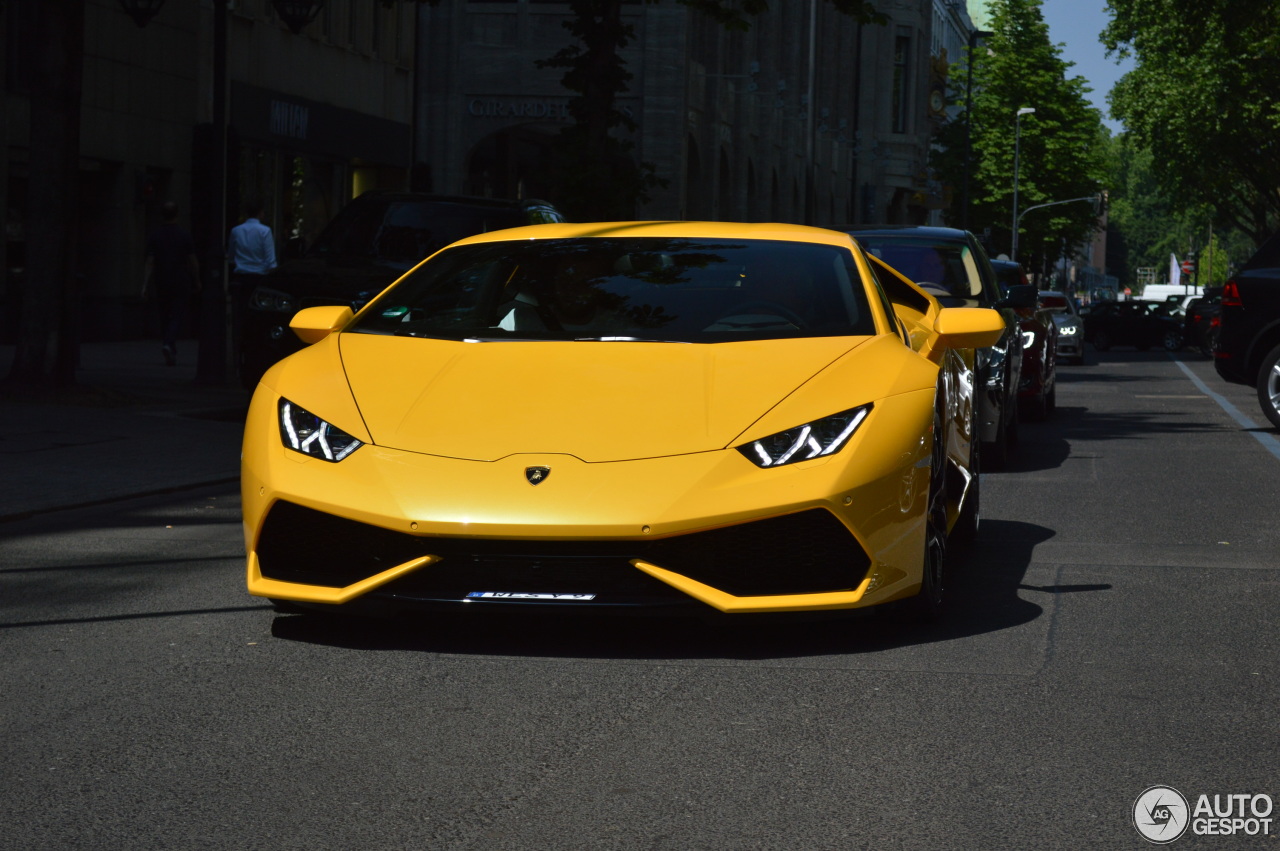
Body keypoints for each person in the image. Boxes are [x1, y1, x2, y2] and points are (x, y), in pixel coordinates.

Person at [142, 201, 201, 366]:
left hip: (162, 280)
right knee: (176, 314)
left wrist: (145, 284)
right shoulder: (184, 235)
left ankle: (169, 345)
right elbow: (192, 261)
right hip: (180, 280)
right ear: (177, 214)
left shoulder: (155, 236)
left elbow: (150, 261)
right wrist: (197, 280)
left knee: (164, 314)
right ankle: (169, 343)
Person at [227, 200, 276, 355]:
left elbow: (231, 256)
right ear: (260, 213)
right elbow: (270, 260)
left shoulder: (236, 231)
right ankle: (256, 348)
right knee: (259, 317)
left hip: (241, 277)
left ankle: (240, 348)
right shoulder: (265, 231)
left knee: (240, 316)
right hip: (259, 278)